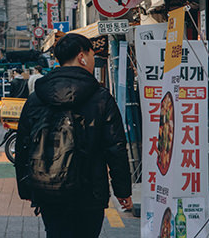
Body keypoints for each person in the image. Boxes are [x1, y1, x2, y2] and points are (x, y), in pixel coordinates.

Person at [15, 33, 132, 237]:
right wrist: (122, 191)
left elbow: (23, 146)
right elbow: (115, 148)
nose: (93, 59)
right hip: (90, 192)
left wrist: (26, 188)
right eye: (91, 54)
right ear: (81, 56)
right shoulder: (101, 98)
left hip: (48, 188)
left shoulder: (36, 98)